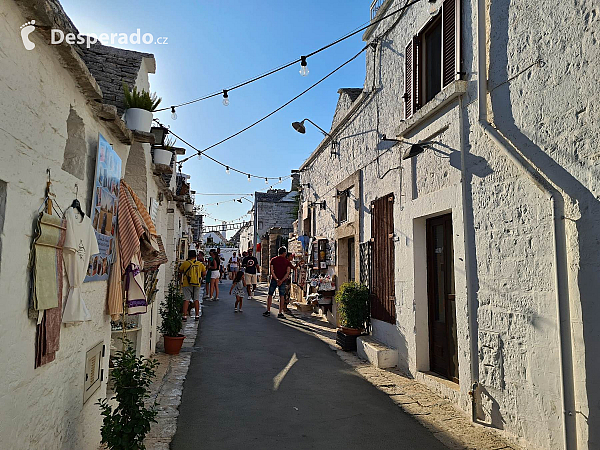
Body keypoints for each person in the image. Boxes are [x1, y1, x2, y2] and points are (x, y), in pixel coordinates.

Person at [264, 246, 292, 318]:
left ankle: (268, 310)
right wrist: (281, 280)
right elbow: (288, 272)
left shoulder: (273, 260)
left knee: (270, 294)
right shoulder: (287, 262)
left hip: (274, 279)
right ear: (284, 253)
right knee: (281, 296)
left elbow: (272, 271)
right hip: (283, 280)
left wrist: (276, 279)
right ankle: (280, 312)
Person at [178, 250, 206, 321]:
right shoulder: (200, 264)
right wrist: (200, 278)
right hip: (197, 283)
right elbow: (204, 273)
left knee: (186, 299)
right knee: (196, 299)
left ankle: (184, 316)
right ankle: (197, 315)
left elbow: (180, 271)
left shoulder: (185, 263)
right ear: (196, 256)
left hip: (187, 283)